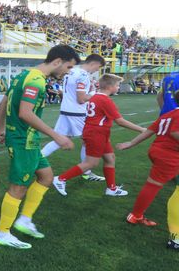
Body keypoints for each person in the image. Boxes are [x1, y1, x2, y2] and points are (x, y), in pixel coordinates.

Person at [0, 44, 79, 249]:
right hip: (23, 141)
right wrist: (56, 135)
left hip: (26, 140)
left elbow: (3, 103)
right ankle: (3, 233)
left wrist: (1, 128)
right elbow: (25, 113)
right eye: (68, 68)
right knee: (18, 187)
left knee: (46, 176)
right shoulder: (36, 81)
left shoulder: (24, 75)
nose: (67, 72)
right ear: (57, 61)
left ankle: (24, 220)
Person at [52, 74, 146, 197]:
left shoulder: (95, 96)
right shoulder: (105, 100)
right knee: (91, 163)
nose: (118, 87)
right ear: (110, 86)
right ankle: (60, 179)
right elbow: (120, 121)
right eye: (117, 85)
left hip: (97, 132)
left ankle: (111, 188)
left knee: (110, 158)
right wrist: (142, 130)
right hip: (96, 133)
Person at [117, 93, 179, 250]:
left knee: (156, 184)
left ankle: (136, 215)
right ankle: (136, 216)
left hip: (158, 151)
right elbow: (175, 133)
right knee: (154, 186)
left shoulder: (169, 114)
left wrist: (131, 143)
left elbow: (150, 130)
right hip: (168, 156)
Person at [41, 54, 106, 182]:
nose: (97, 70)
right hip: (77, 113)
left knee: (60, 139)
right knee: (87, 141)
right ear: (93, 63)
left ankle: (35, 159)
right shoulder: (83, 75)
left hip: (66, 110)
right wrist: (95, 93)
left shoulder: (72, 71)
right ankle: (86, 171)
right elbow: (81, 99)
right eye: (98, 67)